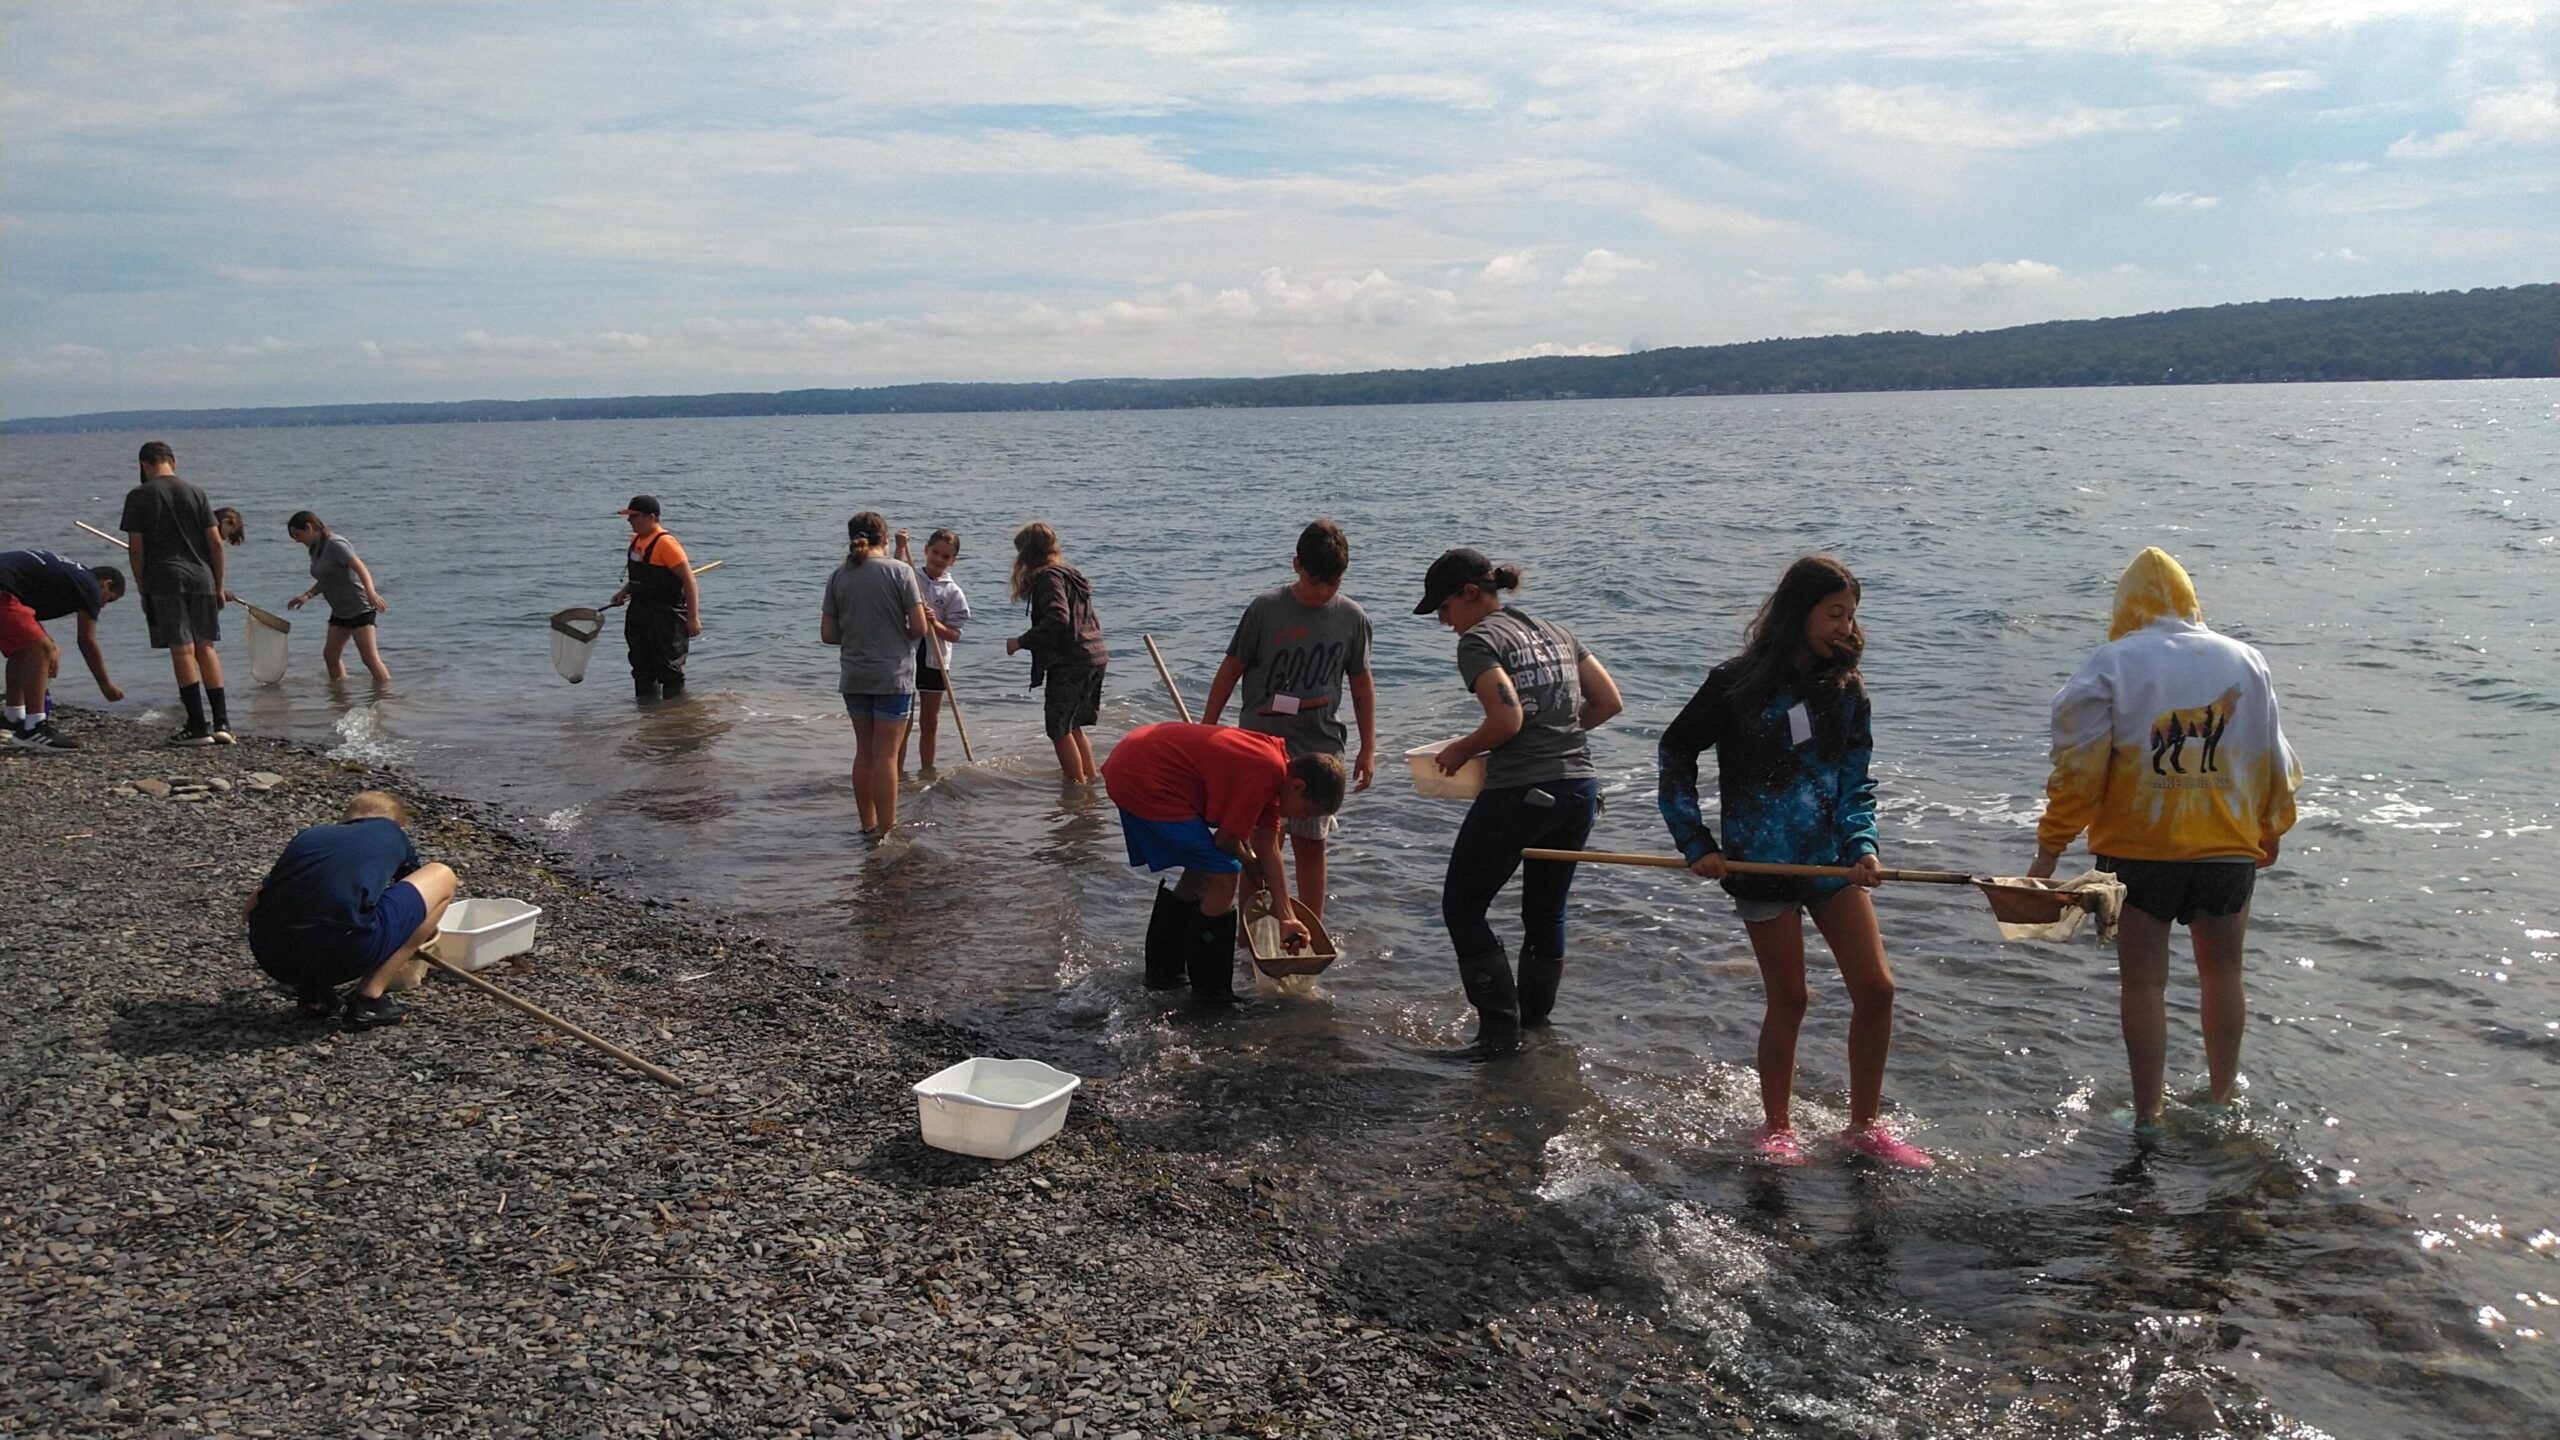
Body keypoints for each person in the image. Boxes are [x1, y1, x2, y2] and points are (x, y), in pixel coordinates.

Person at [1656, 556, 1929, 1168]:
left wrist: (1863, 846)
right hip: (1758, 865)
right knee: (1792, 998)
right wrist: (1696, 842)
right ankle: (1777, 1129)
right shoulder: (1734, 683)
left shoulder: (1847, 690)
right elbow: (1676, 751)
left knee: (1877, 989)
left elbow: (1856, 781)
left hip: (1830, 864)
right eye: (1834, 614)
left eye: (1851, 616)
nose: (1845, 628)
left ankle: (1865, 1127)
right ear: (1797, 613)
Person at [2030, 546, 2300, 1133]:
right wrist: (2271, 826)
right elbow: (2270, 753)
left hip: (2139, 852)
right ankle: (2222, 1099)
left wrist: (2049, 849)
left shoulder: (2111, 663)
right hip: (2226, 847)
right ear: (2190, 601)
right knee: (2223, 973)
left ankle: (2148, 1114)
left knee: (2144, 984)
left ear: (2126, 606)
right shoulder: (2246, 659)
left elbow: (2078, 768)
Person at [1418, 548, 1623, 1059]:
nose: (1443, 620)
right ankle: (1533, 1026)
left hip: (1521, 792)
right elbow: (1608, 702)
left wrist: (1461, 749)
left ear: (1470, 593)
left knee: (1462, 907)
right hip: (1579, 788)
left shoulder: (1479, 641)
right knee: (1545, 912)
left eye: (1443, 607)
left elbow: (1506, 720)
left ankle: (1496, 1035)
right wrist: (1557, 737)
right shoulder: (1556, 631)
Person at [1201, 520, 1378, 922]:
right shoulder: (1266, 609)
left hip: (1321, 748)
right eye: (1315, 582)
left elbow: (1362, 686)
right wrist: (1208, 727)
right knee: (1261, 844)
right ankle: (1252, 930)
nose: (1323, 592)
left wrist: (1368, 747)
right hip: (1261, 747)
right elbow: (1231, 668)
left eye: (1333, 583)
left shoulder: (1352, 618)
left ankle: (1309, 928)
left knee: (1312, 844)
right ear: (1296, 565)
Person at [1101, 721, 1347, 1004]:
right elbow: (1226, 841)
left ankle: (1163, 973)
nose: (1302, 819)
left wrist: (1287, 917)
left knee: (1201, 867)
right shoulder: (1266, 770)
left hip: (1135, 758)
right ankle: (1211, 993)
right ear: (1298, 786)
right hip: (1139, 773)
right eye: (1307, 812)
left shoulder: (1277, 771)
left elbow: (1268, 848)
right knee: (1224, 872)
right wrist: (1249, 861)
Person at [243, 790, 460, 1031]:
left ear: (345, 819)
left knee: (311, 909)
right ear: (397, 824)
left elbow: (250, 908)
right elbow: (413, 894)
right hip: (345, 952)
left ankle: (314, 992)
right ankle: (369, 998)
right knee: (442, 876)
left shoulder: (310, 836)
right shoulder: (392, 834)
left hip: (273, 957)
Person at [119, 440, 236, 745]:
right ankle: (222, 723)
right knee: (206, 648)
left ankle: (197, 725)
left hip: (165, 579)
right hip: (202, 577)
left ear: (144, 464)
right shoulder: (195, 492)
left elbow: (136, 549)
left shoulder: (139, 495)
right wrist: (218, 584)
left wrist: (142, 587)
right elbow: (215, 543)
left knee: (182, 649)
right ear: (173, 461)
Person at [821, 511, 930, 835]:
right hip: (892, 675)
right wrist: (895, 632)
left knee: (864, 752)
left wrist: (859, 635)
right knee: (886, 755)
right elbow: (919, 628)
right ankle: (886, 828)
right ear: (885, 539)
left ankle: (866, 824)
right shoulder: (900, 571)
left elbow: (828, 634)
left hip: (855, 675)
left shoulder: (838, 576)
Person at [1005, 522, 1107, 783]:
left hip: (1071, 660)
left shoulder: (1049, 578)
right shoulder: (1071, 573)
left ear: (1027, 554)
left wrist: (1022, 641)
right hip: (1094, 655)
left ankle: (1076, 788)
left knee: (1058, 729)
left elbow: (1058, 617)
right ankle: (1089, 782)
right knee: (1073, 725)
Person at [0, 549, 126, 751]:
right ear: (106, 583)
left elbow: (26, 620)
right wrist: (106, 685)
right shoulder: (89, 586)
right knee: (40, 649)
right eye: (108, 599)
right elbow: (86, 640)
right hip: (3, 590)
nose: (102, 605)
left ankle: (13, 718)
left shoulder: (70, 576)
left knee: (24, 650)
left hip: (8, 587)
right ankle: (34, 728)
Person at [606, 494, 701, 702]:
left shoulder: (666, 543)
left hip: (666, 616)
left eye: (634, 516)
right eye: (629, 516)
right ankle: (648, 716)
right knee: (641, 666)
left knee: (669, 668)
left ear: (650, 517)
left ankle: (677, 715)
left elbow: (689, 580)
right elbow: (641, 575)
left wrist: (693, 618)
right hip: (639, 612)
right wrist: (624, 592)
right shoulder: (636, 540)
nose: (629, 520)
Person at [894, 527, 972, 773]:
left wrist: (935, 624)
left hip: (935, 660)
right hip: (907, 655)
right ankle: (896, 772)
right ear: (926, 550)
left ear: (953, 560)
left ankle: (927, 770)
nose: (938, 559)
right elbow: (893, 575)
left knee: (929, 721)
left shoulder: (952, 591)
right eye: (935, 552)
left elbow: (955, 634)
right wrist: (900, 546)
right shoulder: (911, 576)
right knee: (902, 720)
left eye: (945, 556)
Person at [283, 512, 393, 683]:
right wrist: (307, 595)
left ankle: (386, 693)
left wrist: (371, 593)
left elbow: (360, 568)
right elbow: (327, 579)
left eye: (298, 535)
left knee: (369, 657)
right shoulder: (316, 549)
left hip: (359, 608)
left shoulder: (335, 544)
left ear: (309, 528)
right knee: (330, 655)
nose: (297, 540)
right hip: (340, 611)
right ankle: (339, 693)